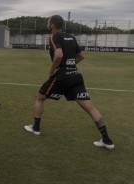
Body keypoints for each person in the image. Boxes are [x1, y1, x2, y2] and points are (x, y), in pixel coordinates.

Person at [24, 15, 114, 150]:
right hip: (76, 76)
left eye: (49, 23)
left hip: (62, 76)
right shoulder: (71, 37)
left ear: (53, 25)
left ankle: (35, 128)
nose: (48, 25)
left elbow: (58, 55)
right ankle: (107, 140)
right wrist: (70, 66)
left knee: (39, 97)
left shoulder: (55, 37)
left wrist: (52, 71)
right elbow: (80, 56)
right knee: (91, 108)